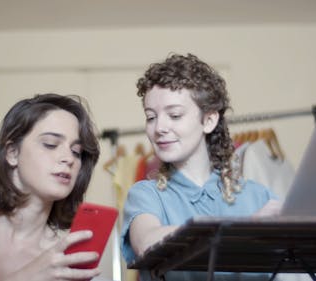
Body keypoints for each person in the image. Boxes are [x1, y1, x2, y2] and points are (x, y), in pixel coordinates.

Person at [120, 54, 282, 281]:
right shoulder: (146, 195)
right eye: (151, 117)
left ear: (208, 120)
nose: (159, 128)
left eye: (174, 115)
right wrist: (243, 228)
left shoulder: (258, 196)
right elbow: (147, 243)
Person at [0, 93, 101, 281]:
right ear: (12, 153)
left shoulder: (62, 263)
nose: (69, 158)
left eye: (76, 152)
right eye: (51, 144)